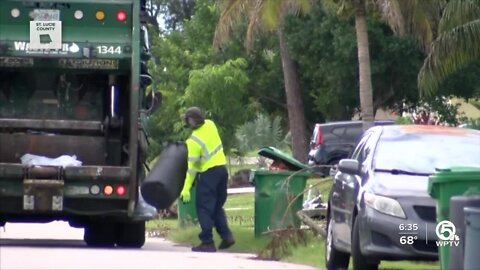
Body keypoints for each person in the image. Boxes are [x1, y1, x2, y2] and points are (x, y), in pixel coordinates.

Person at [179, 106, 235, 252]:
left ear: (190, 121)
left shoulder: (193, 142)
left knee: (203, 208)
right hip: (222, 171)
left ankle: (207, 241)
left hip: (209, 174)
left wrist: (186, 189)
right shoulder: (211, 125)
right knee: (216, 206)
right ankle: (227, 236)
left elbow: (191, 170)